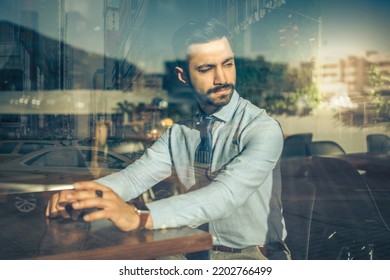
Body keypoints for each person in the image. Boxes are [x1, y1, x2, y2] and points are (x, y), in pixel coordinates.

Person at [46, 18, 290, 260]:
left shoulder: (262, 129)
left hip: (254, 256)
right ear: (183, 75)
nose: (222, 78)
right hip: (193, 249)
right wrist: (82, 196)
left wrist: (139, 216)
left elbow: (225, 194)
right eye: (206, 69)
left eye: (228, 64)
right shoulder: (180, 133)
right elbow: (134, 177)